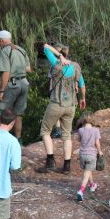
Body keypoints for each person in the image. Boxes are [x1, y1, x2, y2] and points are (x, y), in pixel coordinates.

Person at [36, 43, 86, 174]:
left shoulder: (56, 63)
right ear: (67, 53)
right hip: (71, 105)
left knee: (45, 131)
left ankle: (50, 162)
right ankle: (67, 166)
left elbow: (45, 46)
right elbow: (82, 84)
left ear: (58, 53)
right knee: (67, 135)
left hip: (56, 104)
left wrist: (58, 55)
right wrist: (83, 98)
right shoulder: (75, 66)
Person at [0, 30, 32, 140]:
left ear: (1, 40)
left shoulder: (5, 51)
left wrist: (1, 91)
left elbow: (6, 72)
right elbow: (28, 69)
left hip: (13, 84)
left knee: (1, 111)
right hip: (24, 83)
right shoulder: (21, 49)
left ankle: (2, 139)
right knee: (18, 114)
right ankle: (18, 140)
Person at [75, 112, 102, 201]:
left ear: (83, 120)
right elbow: (97, 143)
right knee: (86, 174)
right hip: (91, 155)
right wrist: (99, 151)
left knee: (88, 169)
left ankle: (92, 185)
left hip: (82, 154)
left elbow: (79, 140)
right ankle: (81, 191)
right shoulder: (96, 130)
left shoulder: (80, 130)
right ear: (92, 120)